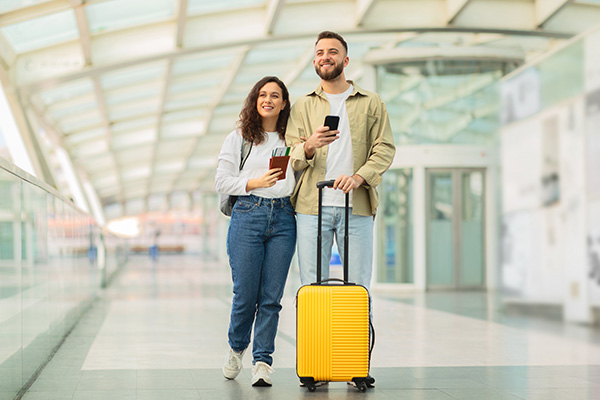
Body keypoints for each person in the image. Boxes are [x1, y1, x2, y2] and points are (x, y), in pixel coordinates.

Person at [286, 31, 395, 384]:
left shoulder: (370, 102)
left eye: (333, 52)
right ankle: (316, 366)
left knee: (358, 286)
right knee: (313, 286)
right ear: (314, 61)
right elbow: (290, 156)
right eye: (319, 52)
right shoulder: (302, 105)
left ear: (345, 61)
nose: (325, 57)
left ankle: (354, 367)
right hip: (311, 207)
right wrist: (310, 145)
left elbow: (385, 148)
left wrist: (361, 177)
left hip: (357, 207)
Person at [215, 76, 296, 387]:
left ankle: (262, 361)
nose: (269, 100)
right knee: (246, 295)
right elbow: (221, 181)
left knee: (272, 297)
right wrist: (254, 182)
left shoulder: (292, 138)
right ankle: (236, 349)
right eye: (263, 94)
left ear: (284, 103)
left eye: (275, 95)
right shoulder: (239, 138)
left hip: (284, 218)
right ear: (255, 100)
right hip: (248, 214)